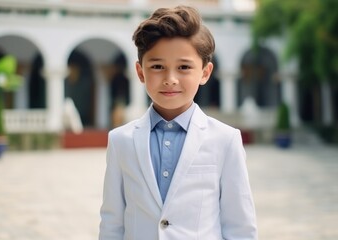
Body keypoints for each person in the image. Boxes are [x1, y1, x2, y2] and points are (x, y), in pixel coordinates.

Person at [99, 5, 257, 240]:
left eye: (184, 67)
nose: (170, 79)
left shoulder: (225, 139)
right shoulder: (121, 140)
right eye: (157, 67)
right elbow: (112, 221)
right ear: (140, 73)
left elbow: (240, 227)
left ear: (205, 72)